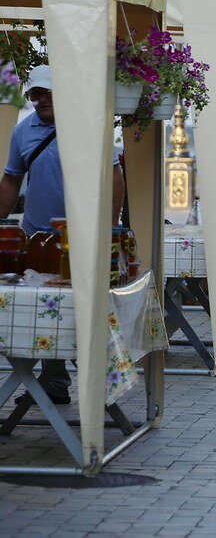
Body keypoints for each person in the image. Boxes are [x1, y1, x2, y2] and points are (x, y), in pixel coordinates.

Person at [0, 65, 125, 405]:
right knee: (46, 309)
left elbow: (114, 176)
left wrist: (111, 227)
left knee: (88, 308)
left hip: (85, 234)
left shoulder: (91, 125)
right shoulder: (23, 131)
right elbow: (11, 179)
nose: (41, 100)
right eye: (35, 94)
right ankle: (53, 381)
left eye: (48, 93)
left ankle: (100, 380)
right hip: (38, 237)